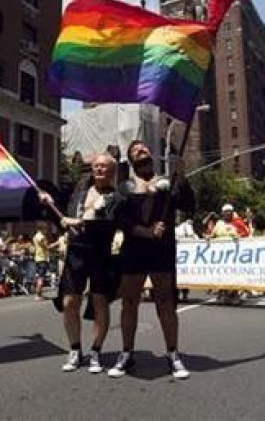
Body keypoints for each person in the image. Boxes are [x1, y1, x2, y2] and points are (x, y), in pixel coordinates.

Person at [107, 140, 194, 379]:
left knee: (166, 301)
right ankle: (126, 352)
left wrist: (182, 176)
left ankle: (173, 353)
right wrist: (143, 231)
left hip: (162, 250)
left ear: (151, 154)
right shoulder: (125, 187)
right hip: (134, 250)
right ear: (131, 160)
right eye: (135, 150)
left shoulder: (167, 184)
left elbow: (189, 205)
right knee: (130, 302)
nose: (140, 150)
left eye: (143, 147)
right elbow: (117, 218)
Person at [41, 153, 121, 373]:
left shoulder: (116, 196)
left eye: (104, 167)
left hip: (100, 254)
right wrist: (48, 201)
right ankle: (75, 349)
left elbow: (106, 221)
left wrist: (77, 222)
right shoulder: (79, 192)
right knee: (69, 302)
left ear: (112, 171)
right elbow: (59, 210)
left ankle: (96, 351)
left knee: (99, 303)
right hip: (76, 252)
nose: (99, 170)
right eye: (96, 166)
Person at [32, 222, 51, 301]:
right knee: (41, 277)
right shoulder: (41, 237)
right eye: (46, 228)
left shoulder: (35, 236)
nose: (46, 230)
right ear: (42, 228)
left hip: (37, 258)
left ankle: (38, 293)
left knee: (39, 276)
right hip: (42, 258)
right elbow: (47, 247)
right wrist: (57, 243)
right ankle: (38, 295)